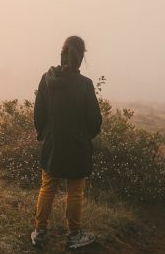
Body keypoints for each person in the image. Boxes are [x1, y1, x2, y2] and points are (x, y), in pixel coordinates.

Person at [31, 35, 103, 250]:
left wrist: (47, 135)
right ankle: (74, 235)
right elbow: (95, 121)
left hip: (52, 144)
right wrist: (84, 136)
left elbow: (38, 115)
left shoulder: (46, 80)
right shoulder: (85, 84)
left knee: (47, 187)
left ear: (61, 54)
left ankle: (40, 232)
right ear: (80, 58)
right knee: (75, 192)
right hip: (77, 146)